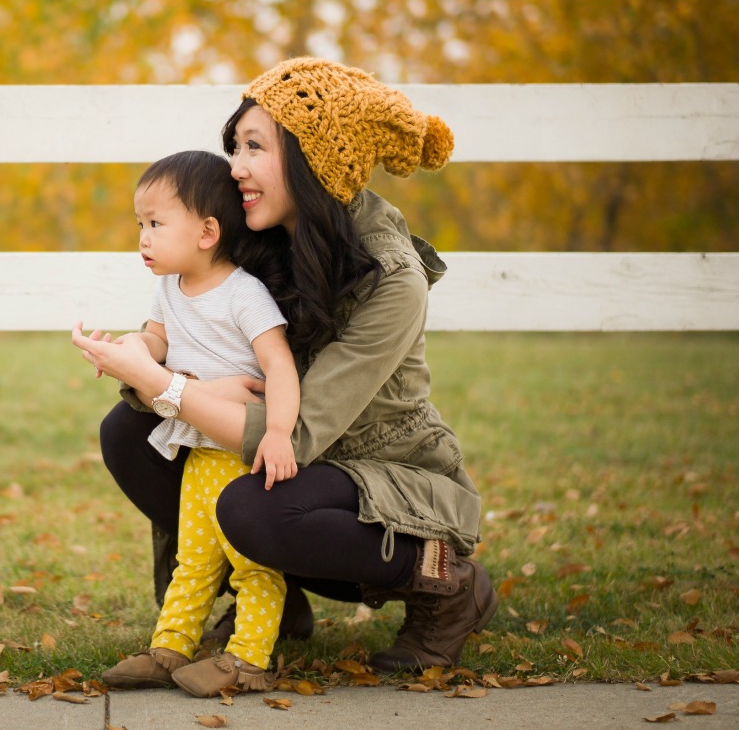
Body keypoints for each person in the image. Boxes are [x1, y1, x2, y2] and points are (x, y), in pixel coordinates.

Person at [72, 56, 498, 675]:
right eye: (234, 145)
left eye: (254, 147)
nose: (235, 167)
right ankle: (270, 603)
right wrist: (147, 353)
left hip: (374, 473)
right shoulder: (262, 230)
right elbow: (193, 325)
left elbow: (296, 434)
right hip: (287, 453)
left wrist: (165, 386)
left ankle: (445, 583)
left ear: (313, 158)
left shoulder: (393, 280)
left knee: (253, 509)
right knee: (128, 433)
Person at [83, 149, 301, 698]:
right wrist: (131, 350)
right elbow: (156, 341)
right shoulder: (169, 288)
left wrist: (277, 433)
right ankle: (170, 646)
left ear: (207, 232)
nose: (143, 237)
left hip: (241, 450)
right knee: (195, 559)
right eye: (140, 224)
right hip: (200, 453)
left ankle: (250, 658)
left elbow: (279, 365)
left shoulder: (242, 294)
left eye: (156, 224)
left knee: (251, 563)